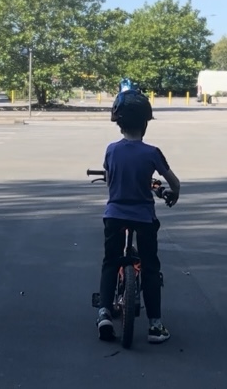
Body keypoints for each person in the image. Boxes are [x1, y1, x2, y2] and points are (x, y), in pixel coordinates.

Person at [95, 85, 181, 344]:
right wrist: (173, 194)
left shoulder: (111, 150)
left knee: (111, 262)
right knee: (151, 267)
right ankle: (155, 325)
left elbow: (110, 180)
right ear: (145, 124)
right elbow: (173, 182)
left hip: (115, 216)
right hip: (143, 218)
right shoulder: (152, 153)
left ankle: (104, 313)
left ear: (119, 123)